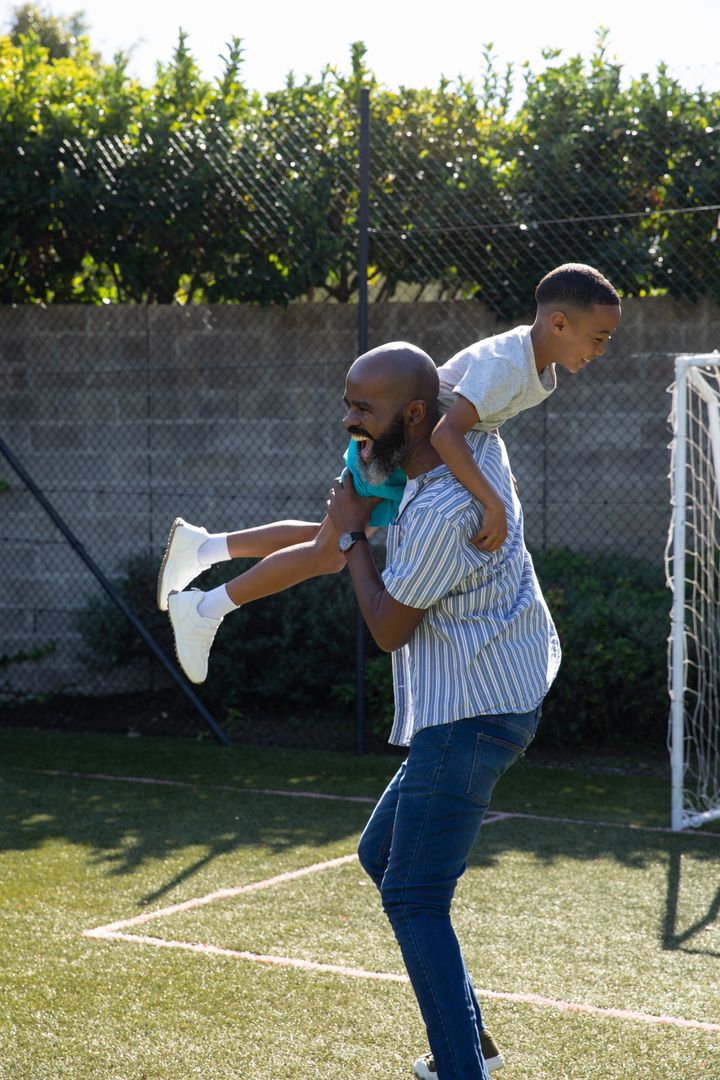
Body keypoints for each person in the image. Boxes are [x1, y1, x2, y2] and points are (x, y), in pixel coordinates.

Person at [159, 262, 620, 684]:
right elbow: (444, 434)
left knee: (331, 537)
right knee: (329, 552)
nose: (601, 350)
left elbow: (484, 421)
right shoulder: (507, 364)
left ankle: (203, 550)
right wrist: (492, 500)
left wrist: (498, 476)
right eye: (598, 338)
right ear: (559, 323)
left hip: (404, 451)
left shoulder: (534, 364)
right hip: (391, 444)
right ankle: (205, 607)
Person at [323, 340, 562, 1079]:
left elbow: (391, 628)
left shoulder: (437, 516)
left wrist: (352, 536)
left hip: (470, 720)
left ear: (416, 416)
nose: (350, 421)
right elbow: (463, 380)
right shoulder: (474, 447)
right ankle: (472, 1037)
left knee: (414, 896)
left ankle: (463, 1070)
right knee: (379, 856)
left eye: (365, 408)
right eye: (348, 402)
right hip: (492, 703)